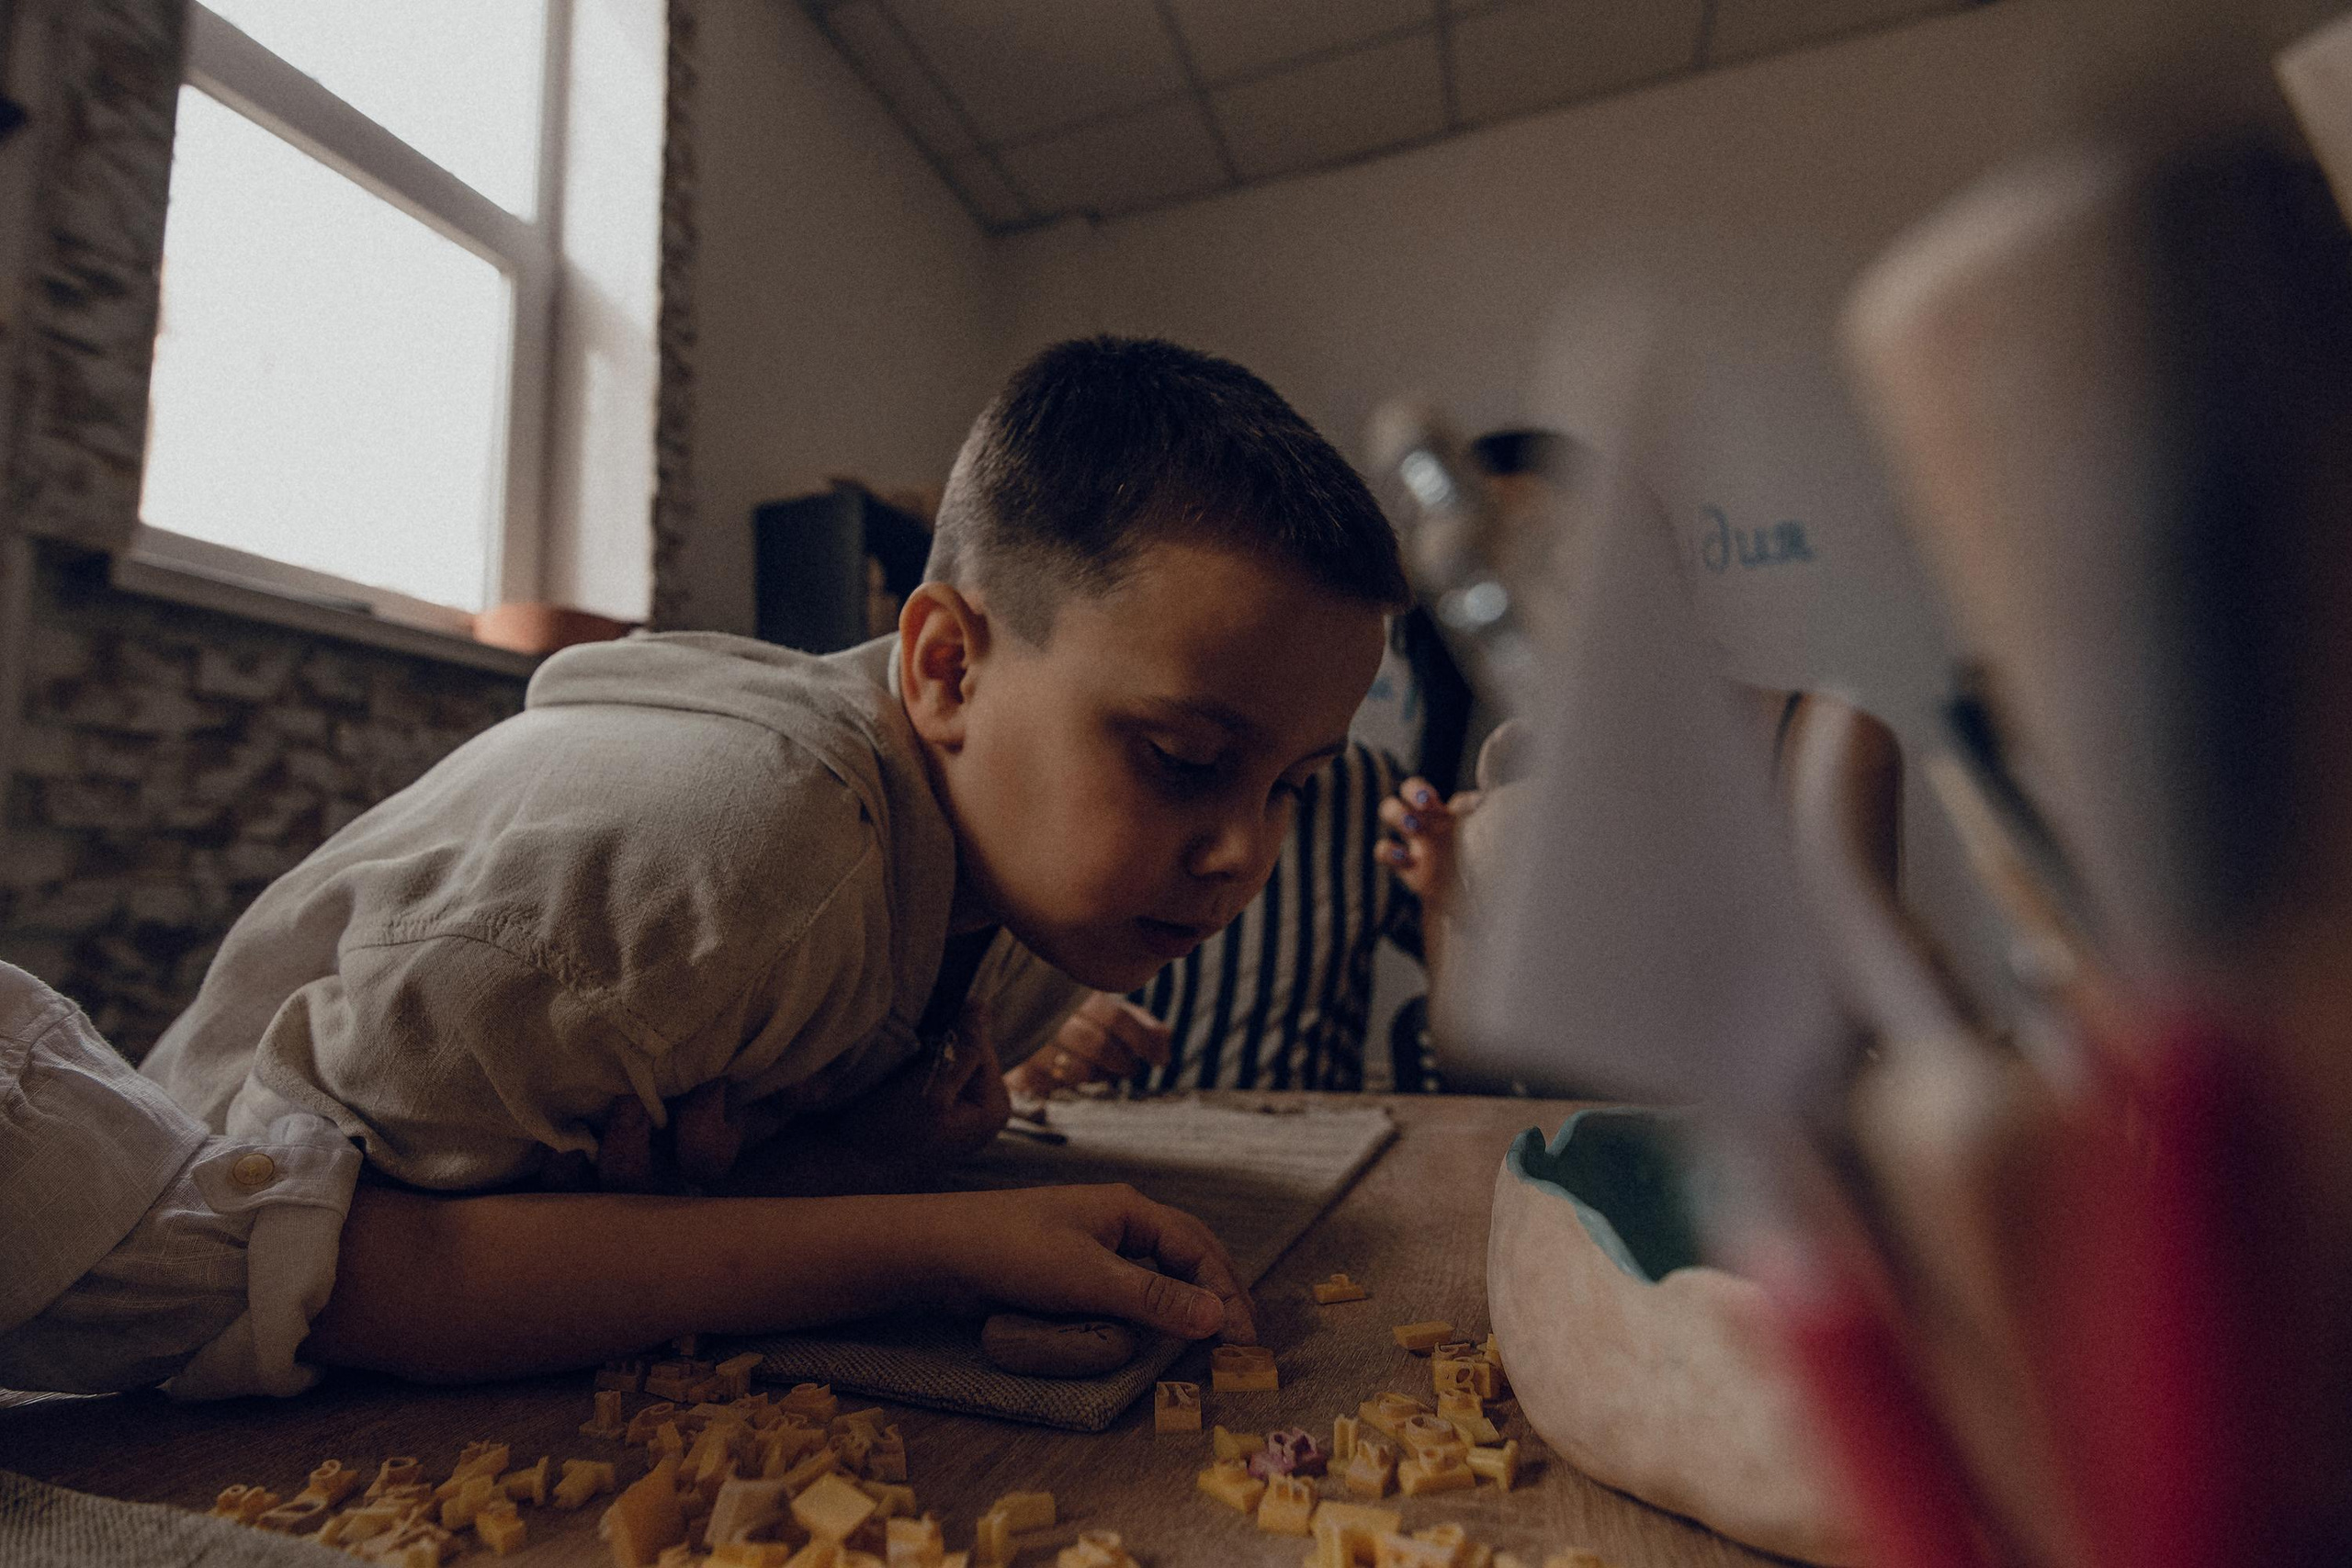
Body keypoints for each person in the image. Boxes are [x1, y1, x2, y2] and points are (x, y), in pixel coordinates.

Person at [131, 336, 1407, 1389]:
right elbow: (281, 1268)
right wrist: (925, 1237)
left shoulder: (1059, 902)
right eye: (1184, 756)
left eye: (1294, 786)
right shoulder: (737, 863)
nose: (1247, 854)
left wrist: (843, 1169)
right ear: (948, 668)